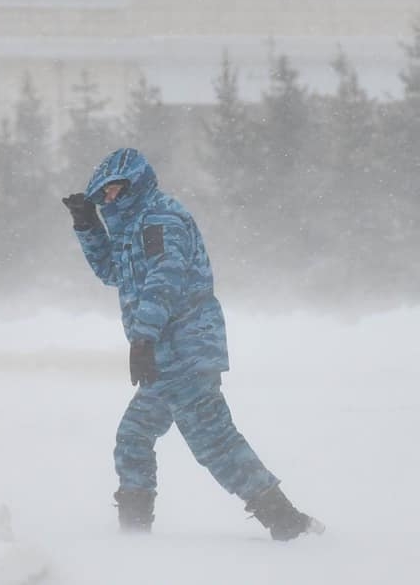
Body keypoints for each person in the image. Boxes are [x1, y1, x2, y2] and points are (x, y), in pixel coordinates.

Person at [62, 147, 324, 541]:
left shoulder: (161, 219)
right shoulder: (135, 227)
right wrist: (88, 226)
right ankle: (133, 537)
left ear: (135, 182)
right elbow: (113, 272)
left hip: (185, 349)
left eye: (114, 190)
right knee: (134, 437)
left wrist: (144, 337)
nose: (110, 199)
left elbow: (164, 280)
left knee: (214, 443)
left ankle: (290, 524)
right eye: (105, 195)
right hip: (164, 355)